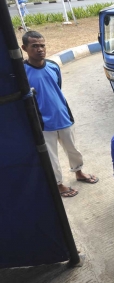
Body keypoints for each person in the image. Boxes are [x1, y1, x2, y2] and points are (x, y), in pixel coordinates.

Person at [21, 31, 98, 198]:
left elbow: (57, 89)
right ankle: (58, 184)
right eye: (34, 46)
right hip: (43, 123)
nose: (40, 49)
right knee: (51, 157)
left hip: (63, 117)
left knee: (73, 150)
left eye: (42, 45)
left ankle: (79, 173)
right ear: (24, 48)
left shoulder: (53, 66)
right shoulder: (22, 72)